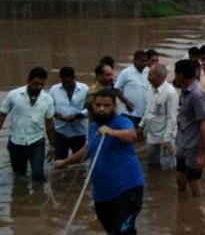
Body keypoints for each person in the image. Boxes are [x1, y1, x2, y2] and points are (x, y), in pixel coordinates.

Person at [53, 89, 144, 235]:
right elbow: (88, 149)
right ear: (92, 106)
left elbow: (131, 135)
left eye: (106, 105)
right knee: (113, 230)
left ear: (114, 107)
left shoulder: (122, 122)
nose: (102, 109)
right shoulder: (93, 127)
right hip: (102, 193)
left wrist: (112, 132)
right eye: (98, 105)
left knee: (122, 232)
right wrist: (64, 162)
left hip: (127, 188)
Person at [0, 67, 56, 181]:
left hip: (37, 141)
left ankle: (37, 197)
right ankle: (21, 196)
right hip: (16, 142)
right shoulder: (13, 95)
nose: (39, 87)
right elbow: (1, 116)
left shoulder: (48, 99)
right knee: (19, 175)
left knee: (38, 175)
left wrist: (53, 146)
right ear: (28, 81)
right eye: (35, 83)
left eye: (42, 84)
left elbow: (49, 124)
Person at [174, 59, 205, 197]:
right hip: (182, 141)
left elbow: (204, 124)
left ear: (181, 75)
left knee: (194, 181)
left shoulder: (197, 94)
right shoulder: (185, 90)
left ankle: (197, 212)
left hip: (193, 145)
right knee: (180, 179)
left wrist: (201, 154)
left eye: (176, 73)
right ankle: (184, 210)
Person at [140, 64, 178, 170]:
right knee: (152, 163)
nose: (148, 77)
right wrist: (141, 125)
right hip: (152, 134)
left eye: (150, 75)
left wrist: (167, 139)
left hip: (165, 135)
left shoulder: (170, 92)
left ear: (159, 77)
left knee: (168, 167)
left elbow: (172, 117)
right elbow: (148, 109)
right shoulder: (150, 88)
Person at [50, 66, 89, 159]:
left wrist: (79, 115)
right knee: (59, 162)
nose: (67, 85)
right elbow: (49, 108)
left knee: (81, 162)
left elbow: (90, 108)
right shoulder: (54, 90)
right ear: (61, 79)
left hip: (79, 132)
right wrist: (56, 115)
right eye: (64, 82)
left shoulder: (85, 89)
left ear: (74, 78)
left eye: (69, 82)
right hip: (60, 132)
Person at [114, 50, 150, 126]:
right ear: (135, 60)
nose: (145, 63)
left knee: (140, 135)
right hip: (129, 112)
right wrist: (126, 102)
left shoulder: (148, 72)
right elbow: (116, 89)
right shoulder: (126, 72)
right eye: (142, 61)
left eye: (146, 61)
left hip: (144, 113)